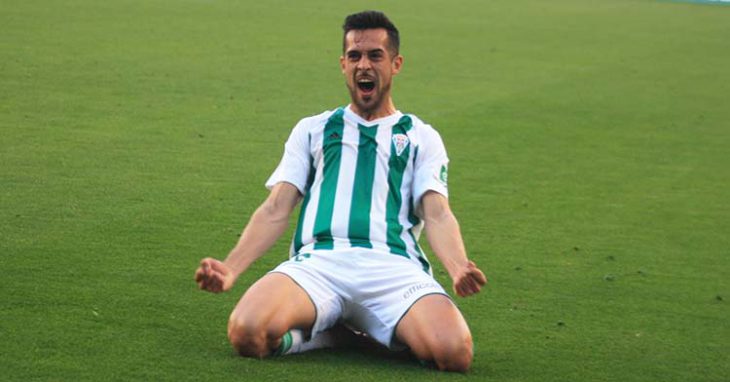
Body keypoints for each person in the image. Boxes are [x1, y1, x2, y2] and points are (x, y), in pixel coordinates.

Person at [194, 10, 487, 372]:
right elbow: (276, 208)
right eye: (355, 56)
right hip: (320, 264)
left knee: (454, 353)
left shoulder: (420, 136)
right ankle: (330, 335)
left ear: (395, 64)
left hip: (393, 268)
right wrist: (231, 268)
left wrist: (457, 267)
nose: (364, 65)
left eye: (375, 56)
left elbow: (437, 213)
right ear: (343, 64)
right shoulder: (314, 129)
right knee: (247, 332)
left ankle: (353, 333)